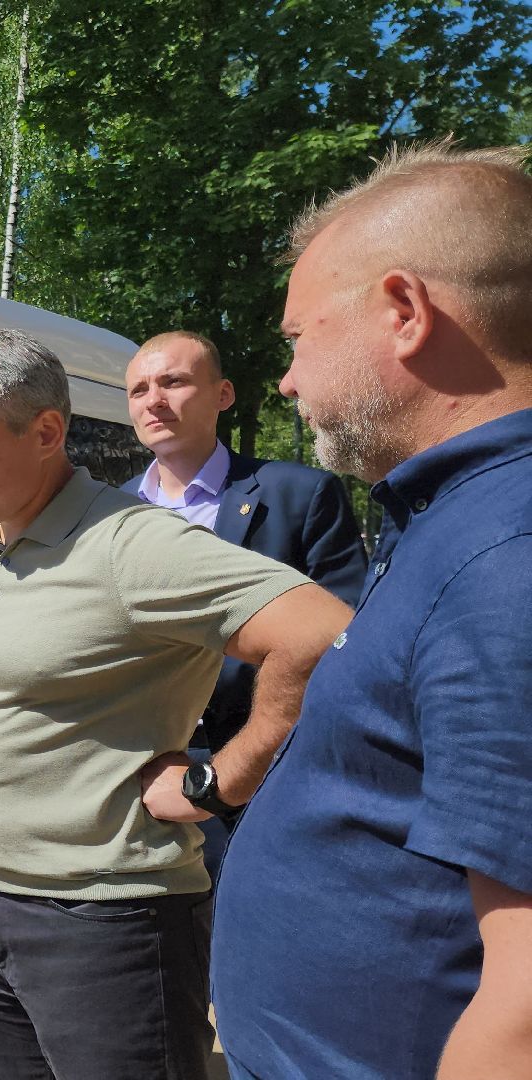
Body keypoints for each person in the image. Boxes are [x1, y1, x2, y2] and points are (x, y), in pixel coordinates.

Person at [0, 328, 350, 1080]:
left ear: (48, 433)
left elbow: (323, 634)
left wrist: (221, 782)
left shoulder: (132, 544)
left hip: (106, 922)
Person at [212, 142, 532, 1079]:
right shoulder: (456, 519)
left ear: (404, 311)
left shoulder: (506, 552)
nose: (287, 382)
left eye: (298, 337)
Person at [123, 330, 366, 878]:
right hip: (135, 777)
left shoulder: (299, 495)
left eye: (173, 381)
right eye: (138, 390)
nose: (153, 400)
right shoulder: (105, 516)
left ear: (223, 394)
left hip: (266, 773)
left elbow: (348, 635)